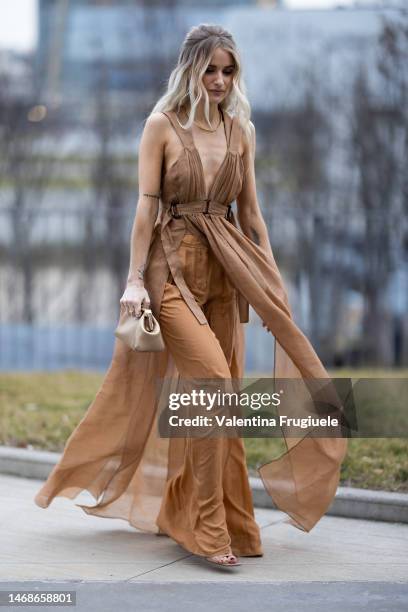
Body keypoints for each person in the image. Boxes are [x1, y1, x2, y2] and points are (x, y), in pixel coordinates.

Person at [34, 24, 348, 570]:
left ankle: (225, 520)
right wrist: (135, 280)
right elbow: (145, 210)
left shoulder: (241, 131)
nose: (220, 79)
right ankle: (205, 530)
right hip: (170, 270)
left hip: (227, 272)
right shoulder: (161, 125)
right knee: (211, 382)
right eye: (210, 68)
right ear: (190, 69)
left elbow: (251, 215)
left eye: (229, 70)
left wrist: (270, 278)